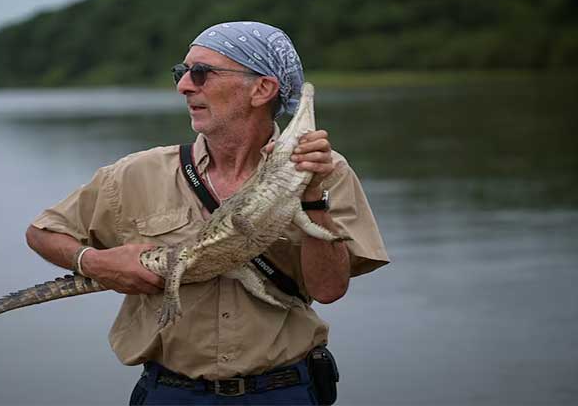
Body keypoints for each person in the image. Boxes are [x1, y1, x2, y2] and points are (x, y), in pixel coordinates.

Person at [26, 21, 389, 405]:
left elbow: (329, 290)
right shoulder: (136, 172)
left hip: (284, 392)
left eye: (200, 73)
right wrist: (93, 261)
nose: (183, 86)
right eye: (182, 74)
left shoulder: (328, 170)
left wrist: (313, 195)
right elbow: (42, 232)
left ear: (262, 89)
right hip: (171, 392)